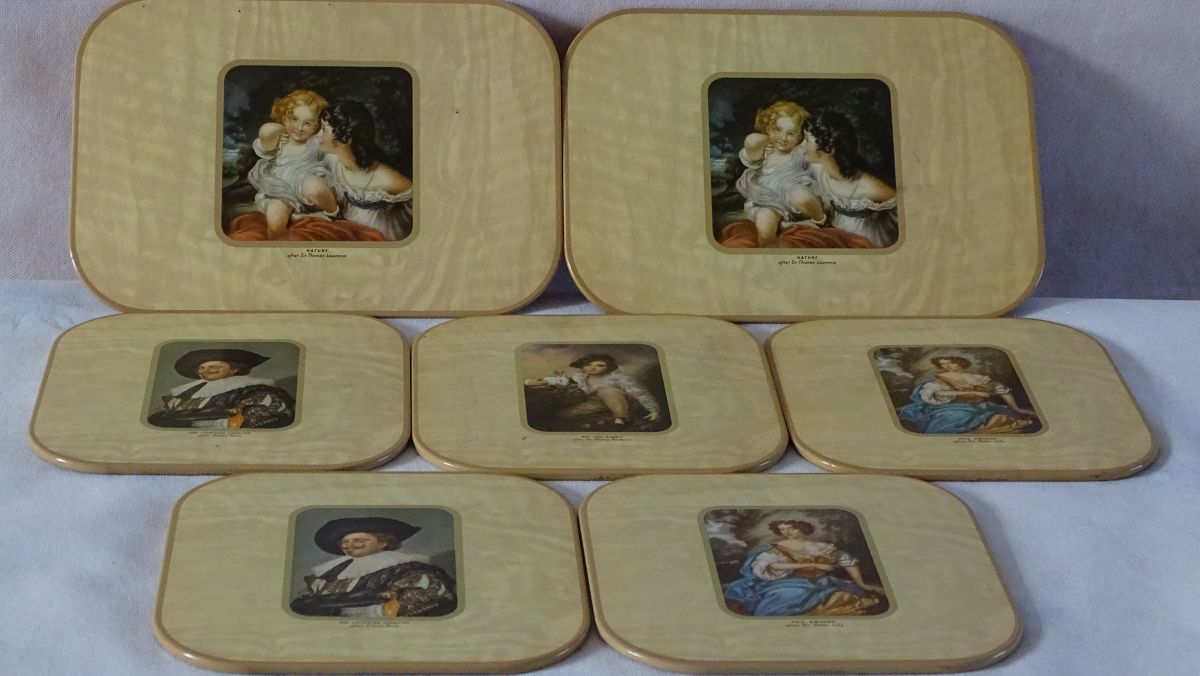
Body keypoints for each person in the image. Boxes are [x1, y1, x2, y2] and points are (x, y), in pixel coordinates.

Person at [290, 517, 456, 618]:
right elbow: (303, 602)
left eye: (359, 540)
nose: (349, 545)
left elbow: (420, 602)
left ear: (383, 542)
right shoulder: (330, 572)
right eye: (345, 542)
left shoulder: (407, 569)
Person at [723, 520, 884, 617]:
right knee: (788, 597)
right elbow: (772, 565)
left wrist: (861, 583)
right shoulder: (777, 547)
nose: (786, 532)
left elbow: (848, 562)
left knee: (847, 596)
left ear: (803, 528)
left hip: (822, 581)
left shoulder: (824, 547)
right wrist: (812, 564)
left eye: (791, 528)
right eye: (782, 529)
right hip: (787, 582)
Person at [247, 89, 340, 239]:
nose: (299, 128)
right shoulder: (278, 141)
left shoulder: (315, 141)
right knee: (275, 219)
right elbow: (266, 131)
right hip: (280, 192)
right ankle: (279, 247)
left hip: (307, 191)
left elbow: (335, 145)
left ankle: (334, 214)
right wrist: (282, 129)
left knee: (314, 186)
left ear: (317, 126)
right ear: (284, 118)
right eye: (294, 119)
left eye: (308, 123)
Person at [798, 110, 898, 248]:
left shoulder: (869, 186)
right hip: (838, 233)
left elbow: (906, 209)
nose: (801, 145)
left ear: (829, 149)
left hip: (866, 240)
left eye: (807, 140)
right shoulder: (818, 169)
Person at [319, 101, 414, 241]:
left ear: (346, 139)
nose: (318, 135)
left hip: (382, 238)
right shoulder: (332, 162)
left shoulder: (386, 178)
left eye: (323, 129)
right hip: (351, 231)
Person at [734, 101, 825, 246]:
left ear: (799, 137)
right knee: (764, 222)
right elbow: (751, 140)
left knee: (801, 196)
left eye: (790, 133)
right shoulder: (763, 152)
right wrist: (769, 138)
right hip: (768, 200)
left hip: (794, 195)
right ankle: (770, 251)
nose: (783, 138)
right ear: (768, 129)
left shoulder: (799, 151)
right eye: (778, 130)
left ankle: (822, 222)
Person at [147, 349, 296, 429]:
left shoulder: (254, 390)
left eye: (214, 367)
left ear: (235, 369)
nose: (206, 371)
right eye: (201, 367)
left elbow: (267, 417)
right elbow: (157, 418)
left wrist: (204, 424)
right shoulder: (185, 393)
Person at [898, 355, 1039, 434]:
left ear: (959, 363)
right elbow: (938, 392)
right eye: (943, 364)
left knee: (1005, 417)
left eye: (950, 363)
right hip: (949, 406)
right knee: (951, 421)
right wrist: (971, 391)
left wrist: (1016, 408)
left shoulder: (979, 377)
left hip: (979, 406)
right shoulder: (941, 378)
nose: (946, 366)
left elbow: (1002, 390)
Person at [524, 353, 662, 428]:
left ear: (608, 367)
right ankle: (605, 418)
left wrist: (654, 410)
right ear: (582, 367)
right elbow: (560, 381)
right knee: (564, 415)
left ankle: (621, 419)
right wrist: (531, 382)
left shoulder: (620, 378)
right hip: (596, 403)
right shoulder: (579, 378)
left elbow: (641, 393)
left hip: (620, 400)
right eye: (588, 365)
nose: (592, 368)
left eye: (599, 365)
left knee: (608, 391)